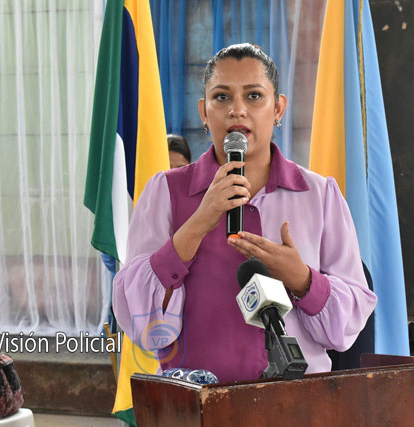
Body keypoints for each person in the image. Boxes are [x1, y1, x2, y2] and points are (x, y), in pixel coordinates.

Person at [112, 43, 377, 383]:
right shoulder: (165, 192)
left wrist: (302, 279)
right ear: (204, 112)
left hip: (297, 401)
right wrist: (197, 224)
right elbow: (142, 325)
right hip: (198, 402)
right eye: (221, 97)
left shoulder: (319, 194)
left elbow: (348, 327)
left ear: (278, 108)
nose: (237, 110)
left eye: (254, 96)